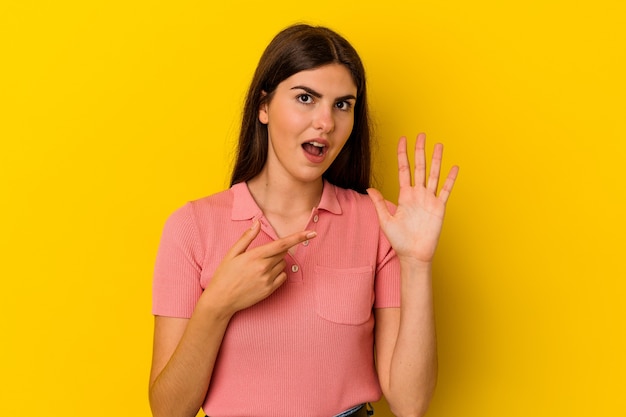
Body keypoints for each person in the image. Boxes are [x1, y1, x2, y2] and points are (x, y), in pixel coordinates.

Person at [149, 24, 459, 417]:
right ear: (263, 106)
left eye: (342, 105)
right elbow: (168, 411)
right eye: (306, 98)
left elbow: (409, 404)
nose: (325, 122)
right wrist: (218, 305)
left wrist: (416, 265)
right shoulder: (190, 227)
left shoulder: (381, 224)